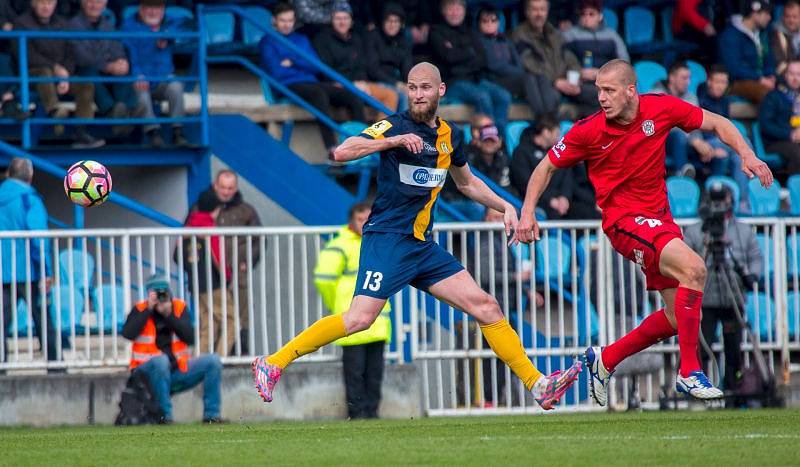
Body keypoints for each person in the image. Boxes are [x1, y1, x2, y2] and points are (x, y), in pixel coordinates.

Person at [252, 62, 582, 411]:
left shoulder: (450, 135)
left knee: (487, 307)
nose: (418, 94)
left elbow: (466, 183)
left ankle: (538, 384)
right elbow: (341, 152)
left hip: (422, 246)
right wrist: (391, 141)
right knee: (360, 319)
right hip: (388, 240)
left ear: (440, 91)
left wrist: (506, 206)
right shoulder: (394, 125)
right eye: (412, 87)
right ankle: (273, 363)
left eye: (425, 87)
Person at [514, 59, 773, 406]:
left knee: (673, 316)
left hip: (660, 220)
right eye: (598, 91)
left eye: (609, 90)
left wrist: (747, 154)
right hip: (624, 221)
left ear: (631, 90)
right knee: (695, 269)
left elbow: (717, 122)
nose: (601, 98)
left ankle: (604, 361)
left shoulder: (660, 108)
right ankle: (689, 371)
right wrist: (528, 212)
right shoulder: (588, 130)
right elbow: (545, 167)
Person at [314, 202, 390, 419]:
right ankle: (357, 415)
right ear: (351, 221)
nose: (365, 223)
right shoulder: (340, 245)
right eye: (360, 219)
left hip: (378, 323)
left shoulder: (376, 243)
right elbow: (324, 280)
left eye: (368, 219)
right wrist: (338, 306)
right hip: (353, 320)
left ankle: (372, 414)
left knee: (375, 374)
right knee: (355, 375)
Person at [260, 1, 365, 158]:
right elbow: (277, 72)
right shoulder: (267, 42)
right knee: (318, 94)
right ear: (274, 21)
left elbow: (315, 66)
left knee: (352, 96)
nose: (287, 25)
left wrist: (293, 61)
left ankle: (363, 143)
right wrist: (302, 62)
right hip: (288, 85)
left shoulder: (302, 39)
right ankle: (332, 148)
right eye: (282, 20)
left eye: (290, 20)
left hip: (311, 82)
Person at [684, 183, 762, 393]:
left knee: (733, 345)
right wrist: (706, 245)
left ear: (731, 201)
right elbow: (687, 262)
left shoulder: (743, 230)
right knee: (702, 343)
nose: (719, 205)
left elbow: (755, 257)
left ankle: (733, 388)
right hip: (705, 298)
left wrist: (751, 273)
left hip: (732, 296)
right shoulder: (695, 231)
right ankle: (699, 386)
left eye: (723, 199)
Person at [122, 274, 224, 424]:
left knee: (213, 361)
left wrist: (169, 315)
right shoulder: (140, 309)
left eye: (163, 292)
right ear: (149, 294)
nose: (160, 297)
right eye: (156, 293)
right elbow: (127, 333)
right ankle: (165, 417)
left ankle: (212, 415)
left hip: (176, 370)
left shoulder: (179, 308)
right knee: (161, 361)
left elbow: (189, 338)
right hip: (147, 376)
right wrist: (149, 310)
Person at [14, 0, 104, 148]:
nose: (46, 6)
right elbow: (27, 55)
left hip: (60, 74)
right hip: (30, 74)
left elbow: (70, 52)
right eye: (42, 3)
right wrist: (55, 68)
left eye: (50, 3)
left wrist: (65, 75)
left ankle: (80, 131)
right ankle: (54, 113)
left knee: (86, 85)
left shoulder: (63, 24)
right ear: (33, 4)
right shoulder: (21, 23)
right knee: (44, 73)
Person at [190, 170, 261, 355]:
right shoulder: (202, 208)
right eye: (223, 187)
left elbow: (259, 240)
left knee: (240, 318)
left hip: (238, 275)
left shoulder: (246, 210)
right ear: (215, 185)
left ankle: (239, 356)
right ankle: (215, 358)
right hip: (212, 276)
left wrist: (247, 261)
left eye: (230, 188)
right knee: (216, 319)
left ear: (236, 188)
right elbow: (187, 241)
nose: (226, 192)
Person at [0, 158, 60, 367]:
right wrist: (45, 270)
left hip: (3, 272)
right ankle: (55, 365)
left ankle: (2, 366)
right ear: (30, 176)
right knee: (43, 319)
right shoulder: (28, 199)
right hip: (28, 272)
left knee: (2, 322)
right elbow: (38, 238)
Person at [429, 0, 511, 131]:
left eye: (458, 8)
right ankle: (486, 139)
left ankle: (499, 141)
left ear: (464, 10)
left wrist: (458, 54)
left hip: (475, 80)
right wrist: (469, 53)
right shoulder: (436, 32)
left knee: (504, 96)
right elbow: (448, 57)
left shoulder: (471, 32)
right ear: (443, 11)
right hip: (452, 83)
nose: (455, 12)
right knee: (482, 97)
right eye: (451, 7)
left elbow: (482, 59)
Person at [69, 0, 144, 139]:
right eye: (90, 1)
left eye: (98, 2)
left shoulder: (108, 25)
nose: (94, 5)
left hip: (105, 71)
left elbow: (116, 48)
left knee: (123, 73)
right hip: (81, 71)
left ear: (104, 5)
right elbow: (80, 57)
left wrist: (121, 61)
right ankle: (111, 112)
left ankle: (128, 108)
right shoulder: (73, 25)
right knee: (89, 74)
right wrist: (107, 66)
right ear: (82, 3)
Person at [512, 0, 595, 120]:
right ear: (527, 12)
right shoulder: (519, 35)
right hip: (543, 84)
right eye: (535, 9)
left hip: (566, 82)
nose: (539, 14)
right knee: (551, 97)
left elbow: (570, 59)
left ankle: (589, 133)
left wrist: (574, 79)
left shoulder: (554, 33)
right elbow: (529, 65)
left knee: (594, 94)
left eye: (542, 9)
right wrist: (555, 82)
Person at [121, 0, 188, 147]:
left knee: (176, 86)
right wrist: (137, 75)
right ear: (141, 8)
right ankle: (153, 133)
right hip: (139, 78)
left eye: (157, 8)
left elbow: (187, 23)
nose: (152, 12)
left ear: (163, 9)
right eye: (148, 8)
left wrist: (167, 34)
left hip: (163, 78)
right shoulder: (129, 26)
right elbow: (130, 56)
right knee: (140, 90)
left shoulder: (169, 22)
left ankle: (178, 132)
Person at [313, 4, 399, 116]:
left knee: (391, 95)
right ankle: (362, 133)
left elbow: (362, 65)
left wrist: (362, 81)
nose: (342, 22)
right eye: (338, 18)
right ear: (332, 20)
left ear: (351, 21)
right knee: (355, 98)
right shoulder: (322, 39)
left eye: (345, 18)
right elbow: (326, 70)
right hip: (337, 85)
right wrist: (351, 84)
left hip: (358, 85)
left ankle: (381, 134)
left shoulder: (356, 39)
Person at [477, 4, 559, 119]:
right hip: (494, 80)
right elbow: (494, 66)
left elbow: (518, 62)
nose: (490, 24)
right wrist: (518, 72)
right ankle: (542, 118)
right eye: (485, 21)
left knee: (542, 77)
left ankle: (551, 115)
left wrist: (518, 71)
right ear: (479, 23)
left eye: (493, 20)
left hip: (513, 77)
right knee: (528, 78)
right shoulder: (479, 42)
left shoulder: (505, 40)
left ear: (498, 22)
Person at [182, 190, 235, 356]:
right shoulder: (210, 229)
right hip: (214, 285)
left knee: (208, 324)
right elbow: (219, 260)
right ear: (216, 209)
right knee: (230, 321)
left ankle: (199, 359)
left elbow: (178, 256)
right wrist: (228, 278)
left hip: (196, 285)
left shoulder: (188, 229)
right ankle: (220, 359)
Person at [698, 65, 751, 209]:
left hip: (720, 142)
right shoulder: (699, 97)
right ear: (709, 82)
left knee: (737, 157)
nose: (721, 86)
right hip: (704, 141)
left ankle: (741, 202)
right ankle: (743, 201)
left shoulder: (725, 101)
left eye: (724, 82)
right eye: (717, 82)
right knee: (742, 146)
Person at [653, 61, 716, 178]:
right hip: (661, 142)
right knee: (678, 135)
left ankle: (713, 190)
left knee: (719, 153)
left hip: (686, 141)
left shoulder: (691, 97)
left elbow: (695, 125)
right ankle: (682, 173)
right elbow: (663, 126)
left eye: (689, 78)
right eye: (684, 78)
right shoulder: (656, 95)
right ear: (672, 78)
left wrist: (699, 142)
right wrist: (693, 140)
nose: (688, 82)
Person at [562, 0, 629, 92]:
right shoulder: (570, 35)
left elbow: (624, 61)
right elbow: (561, 60)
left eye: (591, 14)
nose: (586, 17)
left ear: (600, 16)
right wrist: (579, 72)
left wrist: (601, 73)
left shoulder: (612, 36)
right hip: (580, 82)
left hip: (607, 81)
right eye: (583, 14)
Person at [719, 0, 776, 105]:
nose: (769, 18)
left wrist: (771, 75)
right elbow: (733, 68)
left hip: (761, 80)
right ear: (754, 13)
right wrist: (759, 78)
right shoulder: (731, 35)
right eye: (766, 13)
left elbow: (769, 58)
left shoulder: (762, 34)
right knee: (769, 96)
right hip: (737, 82)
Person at [364, 3, 413, 111]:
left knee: (418, 95)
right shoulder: (373, 37)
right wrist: (396, 84)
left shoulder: (403, 40)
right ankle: (402, 128)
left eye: (396, 21)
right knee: (403, 96)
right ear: (383, 22)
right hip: (377, 82)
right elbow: (373, 69)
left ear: (401, 24)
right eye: (389, 21)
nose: (392, 24)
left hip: (398, 83)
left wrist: (410, 84)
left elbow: (407, 65)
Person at [758, 58, 800, 174]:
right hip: (776, 142)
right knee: (797, 153)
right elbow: (765, 125)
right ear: (785, 75)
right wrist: (790, 134)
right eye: (792, 74)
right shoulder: (773, 97)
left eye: (798, 74)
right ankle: (794, 188)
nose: (795, 78)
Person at [464, 113, 515, 196]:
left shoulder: (501, 154)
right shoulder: (467, 155)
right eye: (486, 127)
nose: (490, 129)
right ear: (475, 132)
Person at [770, 0, 800, 76]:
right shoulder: (776, 34)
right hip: (786, 77)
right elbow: (780, 64)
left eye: (795, 17)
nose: (791, 20)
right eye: (787, 16)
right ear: (782, 17)